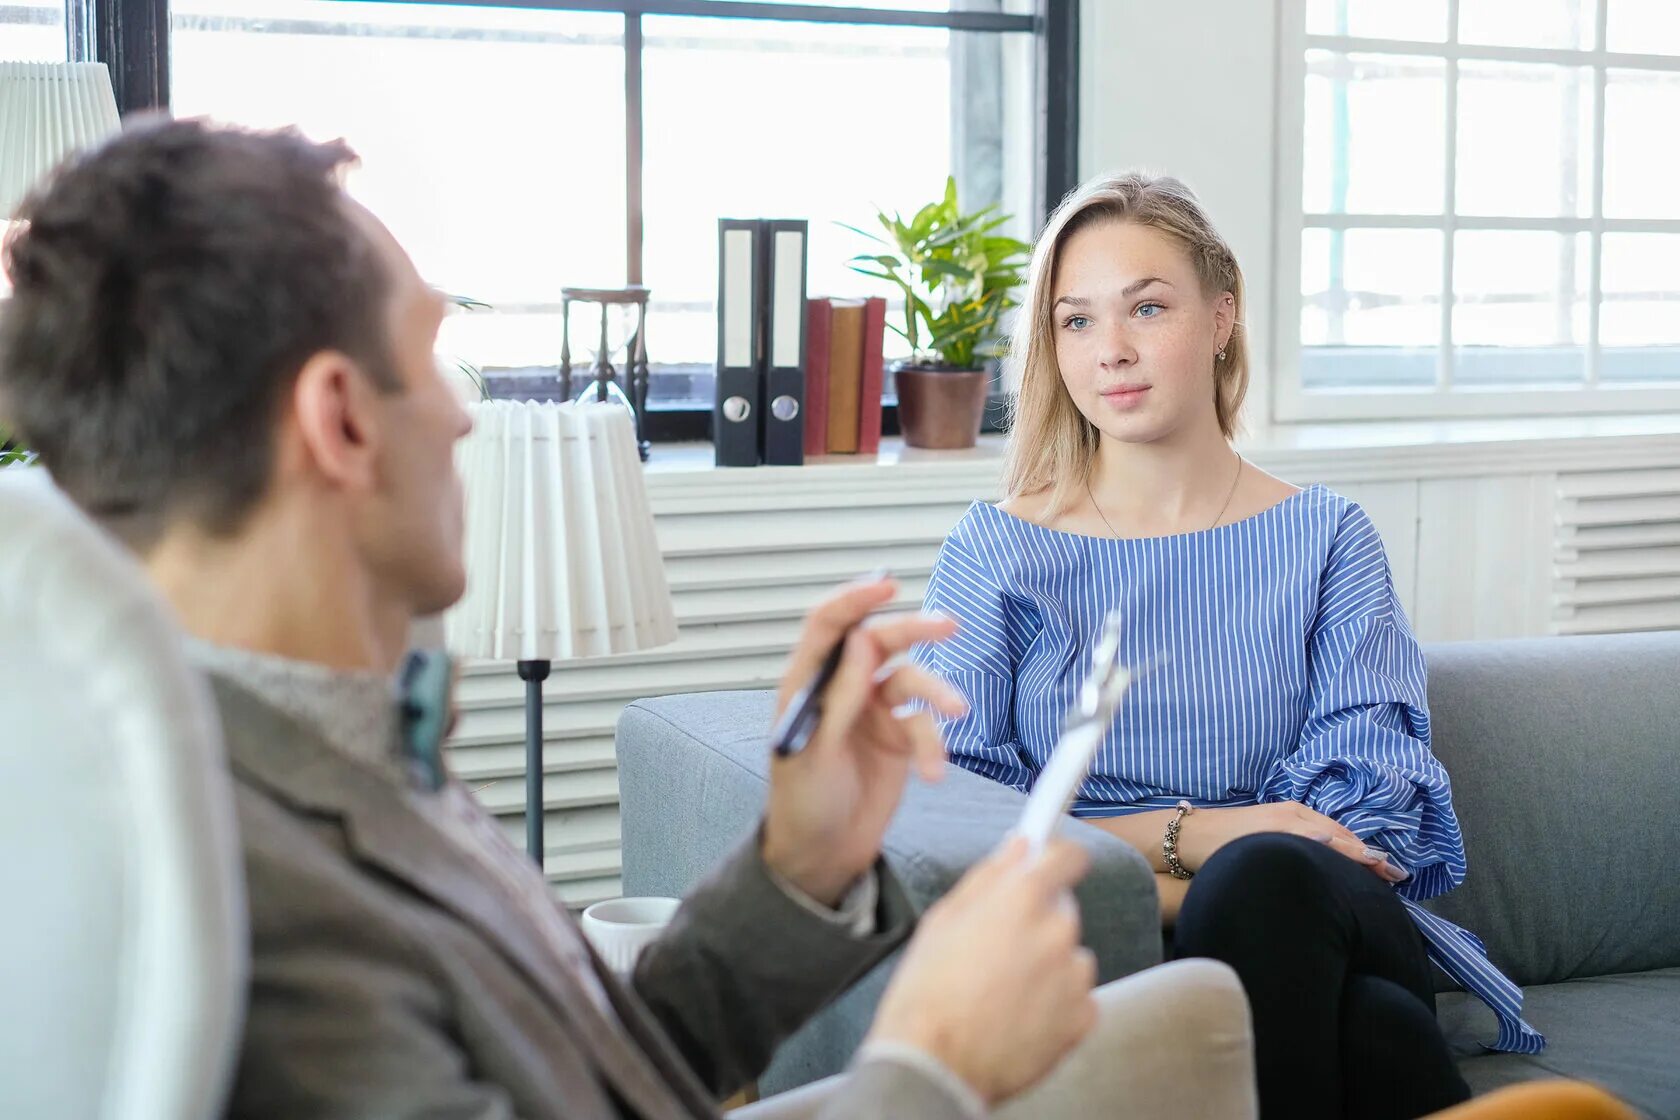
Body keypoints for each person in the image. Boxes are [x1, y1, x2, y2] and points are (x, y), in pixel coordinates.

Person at [0, 118, 1259, 1120]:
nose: (461, 416)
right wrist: (930, 1063)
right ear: (339, 420)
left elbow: (588, 1068)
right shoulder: (239, 912)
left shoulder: (314, 734)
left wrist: (800, 867)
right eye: (435, 358)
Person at [914, 171, 1542, 1120]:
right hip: (1117, 937)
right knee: (1378, 1032)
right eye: (1075, 322)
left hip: (1326, 908)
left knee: (1271, 878)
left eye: (1148, 308)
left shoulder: (1326, 536)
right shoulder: (997, 551)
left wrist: (1198, 853)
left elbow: (1364, 818)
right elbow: (970, 823)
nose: (1111, 352)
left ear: (1221, 317)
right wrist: (1208, 834)